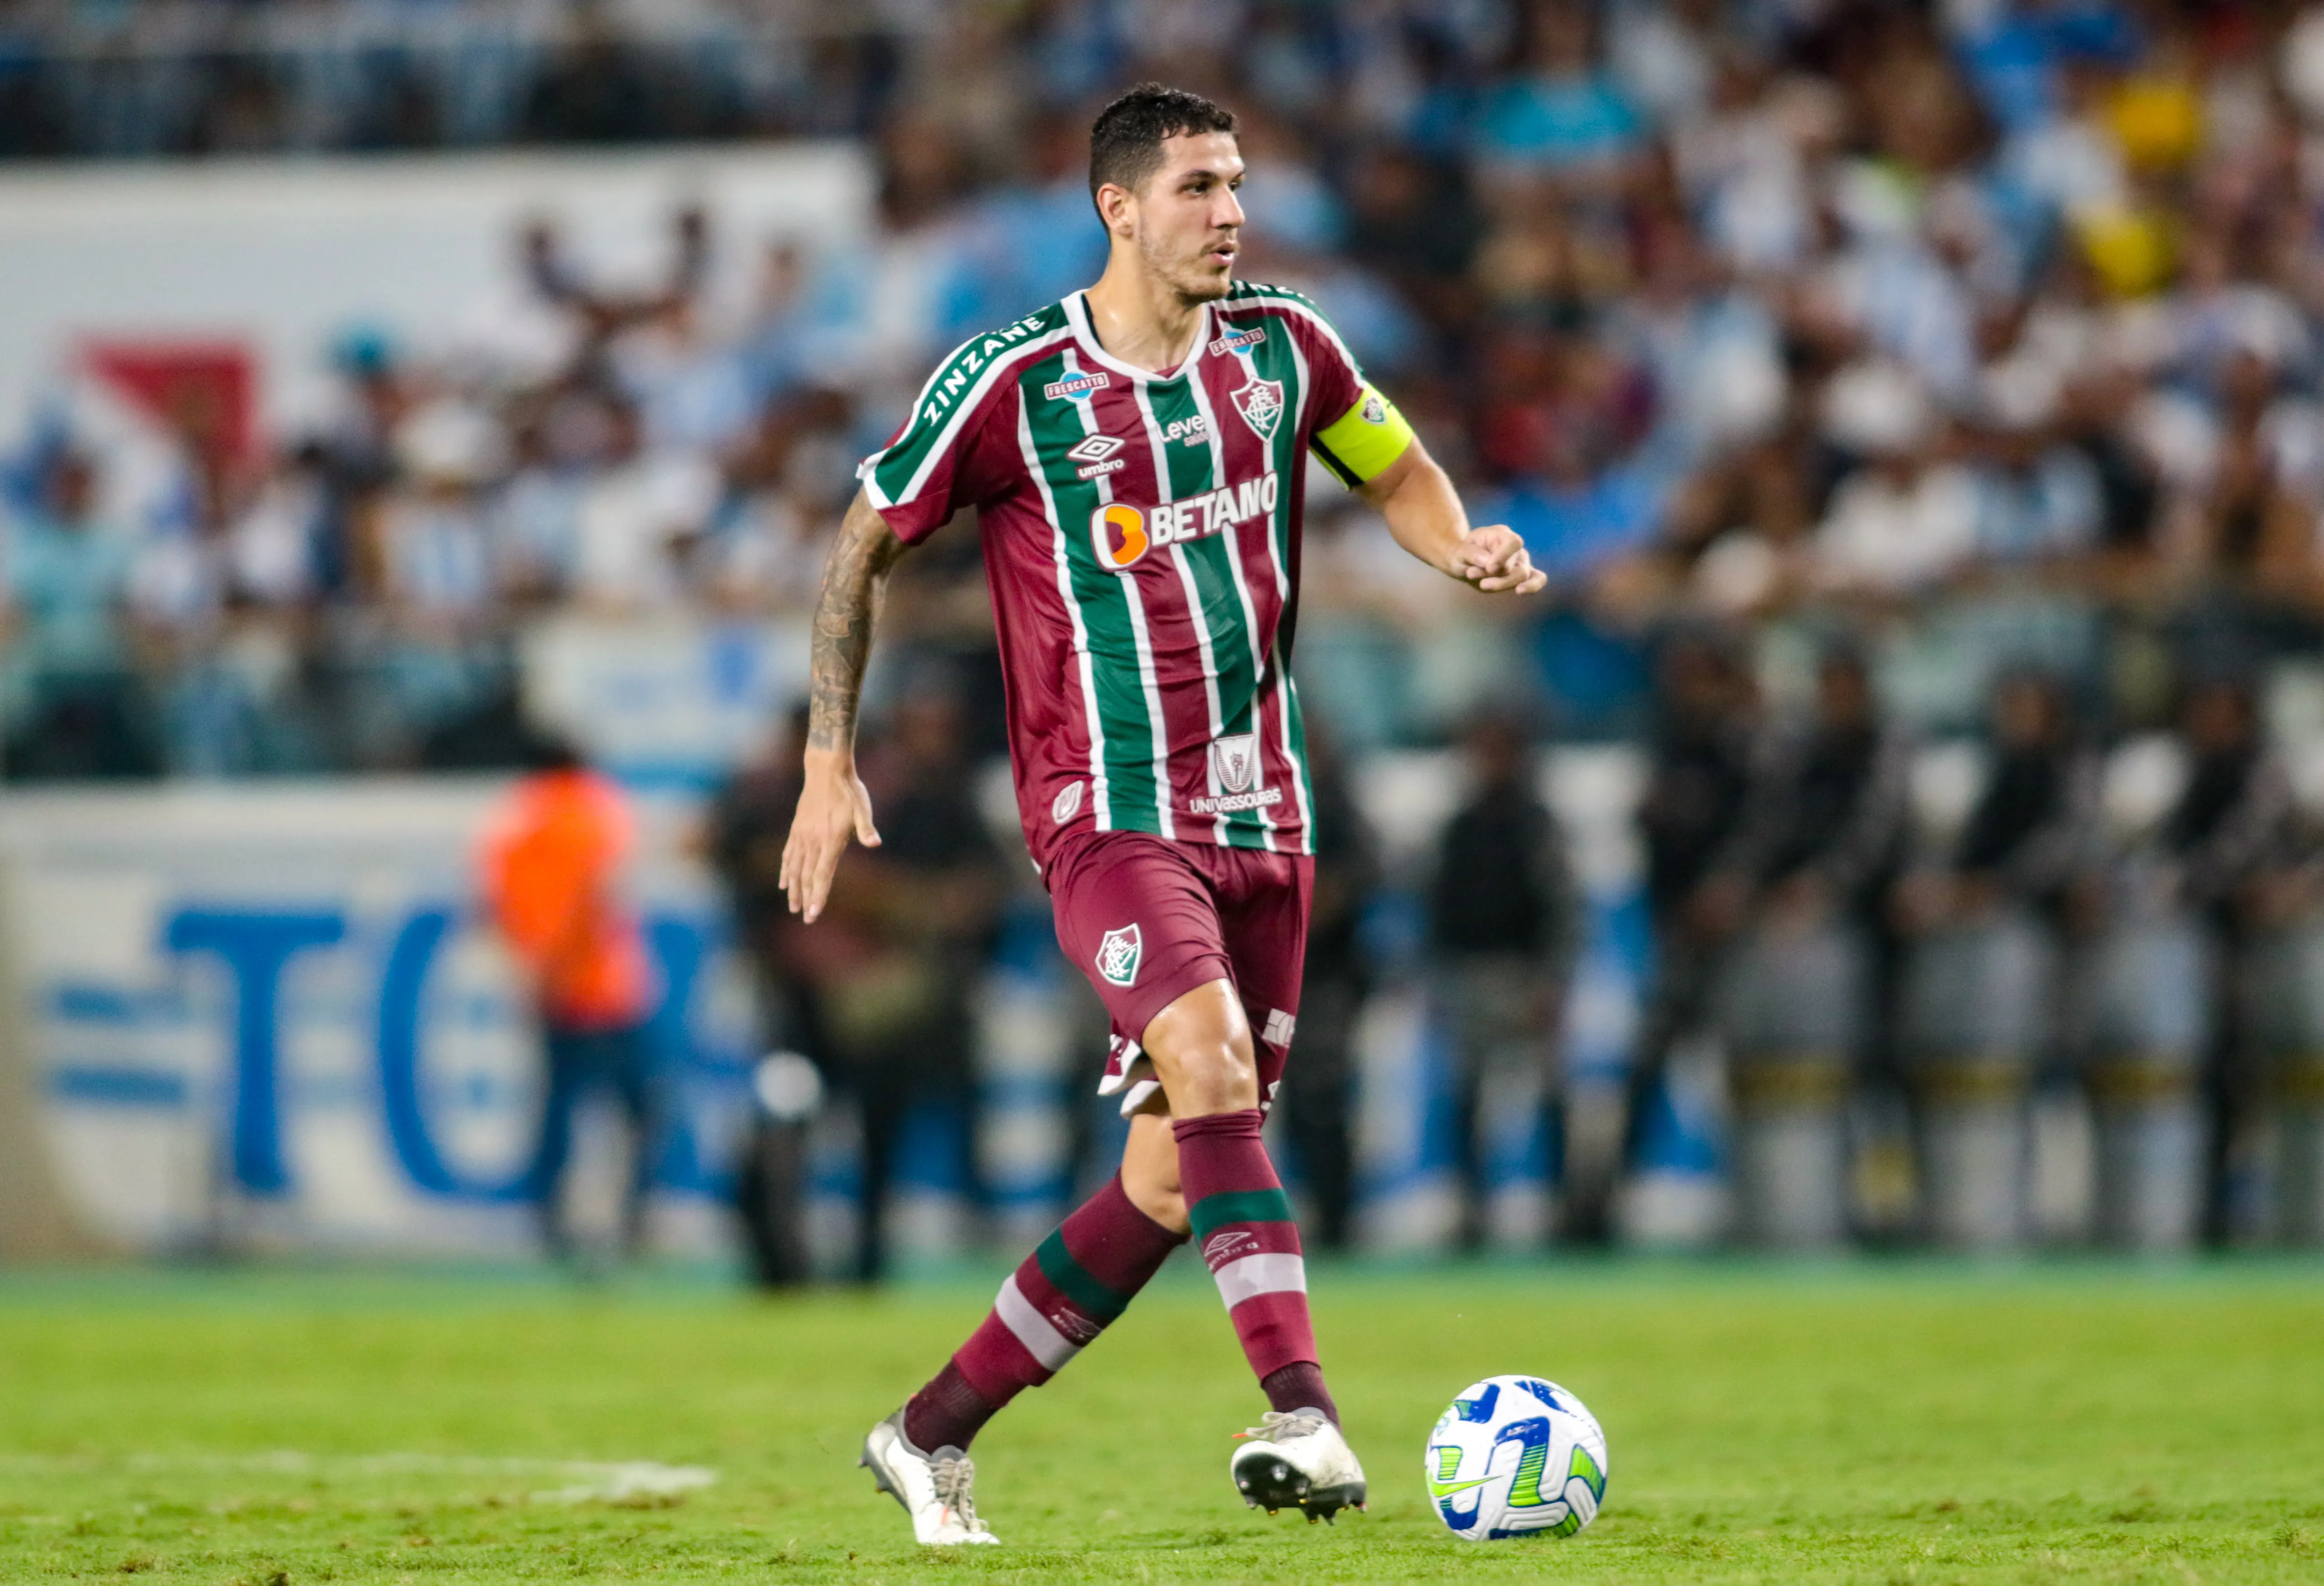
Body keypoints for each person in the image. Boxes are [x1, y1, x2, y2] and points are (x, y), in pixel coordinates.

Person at [778, 83, 1546, 1545]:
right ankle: (1304, 1412)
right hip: (1107, 814)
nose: (1231, 212)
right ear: (1118, 208)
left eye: (1238, 182)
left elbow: (1395, 465)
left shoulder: (1286, 348)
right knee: (1204, 1065)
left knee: (1167, 1174)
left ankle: (926, 1432)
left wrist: (1459, 547)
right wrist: (830, 754)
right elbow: (865, 537)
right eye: (1197, 186)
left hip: (1270, 815)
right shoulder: (1014, 382)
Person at [477, 736, 660, 1267]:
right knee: (638, 1109)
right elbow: (601, 893)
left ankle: (550, 1221)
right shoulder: (591, 808)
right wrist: (564, 959)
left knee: (559, 1108)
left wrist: (534, 970)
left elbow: (493, 906)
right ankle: (632, 1221)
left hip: (549, 986)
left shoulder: (512, 823)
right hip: (607, 987)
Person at [1425, 709, 1580, 1248]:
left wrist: (1552, 979)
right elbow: (1436, 909)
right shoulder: (1460, 826)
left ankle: (1563, 1208)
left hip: (1522, 974)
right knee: (1467, 1098)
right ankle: (1472, 1209)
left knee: (1546, 1095)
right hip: (1467, 975)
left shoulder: (1536, 824)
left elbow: (1562, 908)